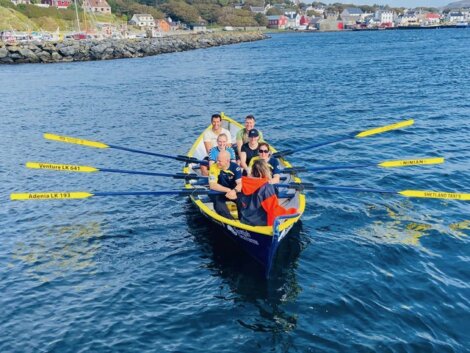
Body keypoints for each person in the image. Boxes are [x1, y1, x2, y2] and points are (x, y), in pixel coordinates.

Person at [238, 159, 297, 226]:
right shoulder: (266, 187)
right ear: (263, 172)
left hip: (245, 220)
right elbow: (273, 209)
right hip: (260, 223)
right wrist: (291, 212)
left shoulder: (241, 182)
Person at [208, 150, 242, 220]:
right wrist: (228, 190)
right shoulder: (214, 167)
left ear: (227, 161)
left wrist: (234, 191)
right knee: (219, 205)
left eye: (220, 161)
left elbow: (240, 183)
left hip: (233, 192)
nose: (217, 162)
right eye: (217, 160)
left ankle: (242, 219)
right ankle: (230, 221)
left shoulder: (235, 167)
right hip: (218, 192)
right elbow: (212, 185)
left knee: (242, 200)